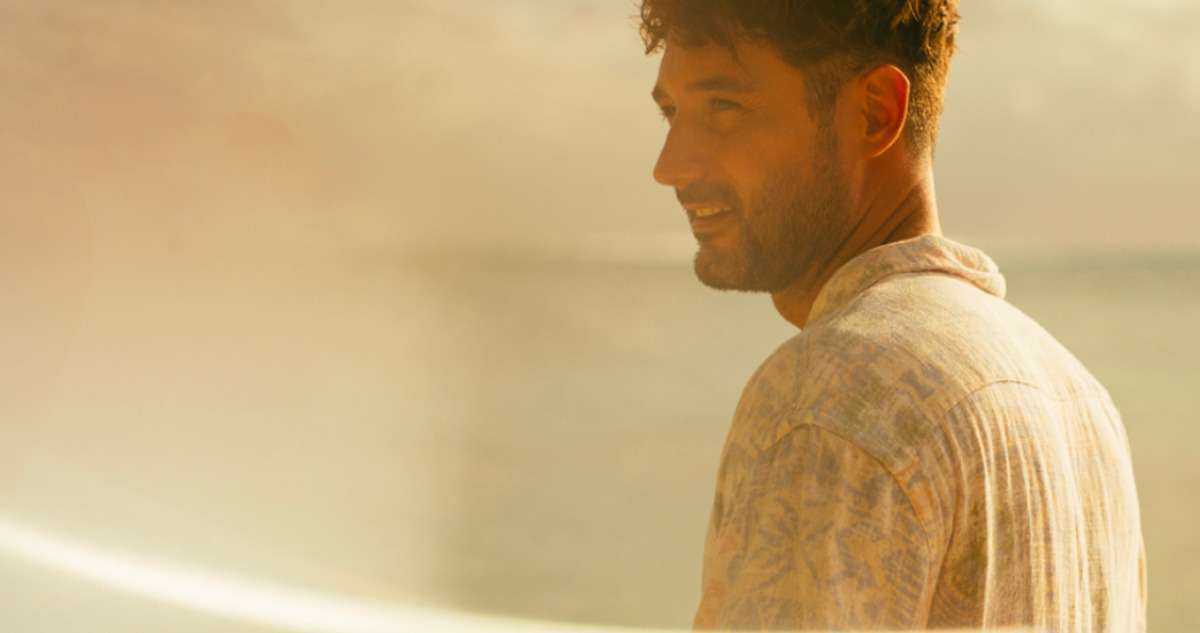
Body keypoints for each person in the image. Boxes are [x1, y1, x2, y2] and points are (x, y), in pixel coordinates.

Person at [638, 1, 1147, 631]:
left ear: (875, 112)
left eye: (724, 107)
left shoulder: (829, 399)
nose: (670, 166)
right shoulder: (1079, 399)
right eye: (671, 113)